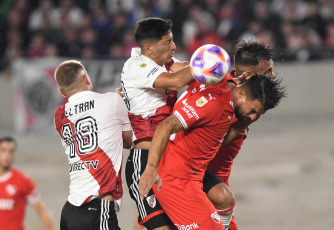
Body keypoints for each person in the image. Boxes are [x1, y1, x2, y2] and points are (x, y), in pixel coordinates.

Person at [139, 74, 285, 229]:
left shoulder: (221, 81)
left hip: (193, 174)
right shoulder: (214, 105)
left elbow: (218, 140)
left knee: (224, 199)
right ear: (241, 93)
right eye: (253, 110)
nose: (252, 117)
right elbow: (165, 126)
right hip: (176, 178)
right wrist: (150, 169)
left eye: (258, 115)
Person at [121, 17, 193, 230]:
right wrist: (206, 63)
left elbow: (184, 68)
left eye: (172, 40)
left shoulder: (162, 63)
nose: (174, 46)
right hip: (144, 160)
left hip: (172, 157)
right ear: (149, 48)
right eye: (168, 42)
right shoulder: (138, 66)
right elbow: (178, 80)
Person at [205, 41, 277, 230]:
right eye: (268, 71)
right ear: (249, 76)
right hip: (203, 189)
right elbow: (207, 143)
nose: (273, 76)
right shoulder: (222, 98)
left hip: (218, 188)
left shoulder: (244, 97)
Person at [53, 60, 132, 230]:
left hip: (69, 212)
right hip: (97, 208)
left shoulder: (59, 116)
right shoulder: (112, 100)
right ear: (87, 79)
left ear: (62, 91)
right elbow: (128, 141)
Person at [0, 136, 57, 230]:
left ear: (15, 155)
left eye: (11, 151)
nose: (7, 155)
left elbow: (41, 210)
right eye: (3, 150)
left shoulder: (23, 181)